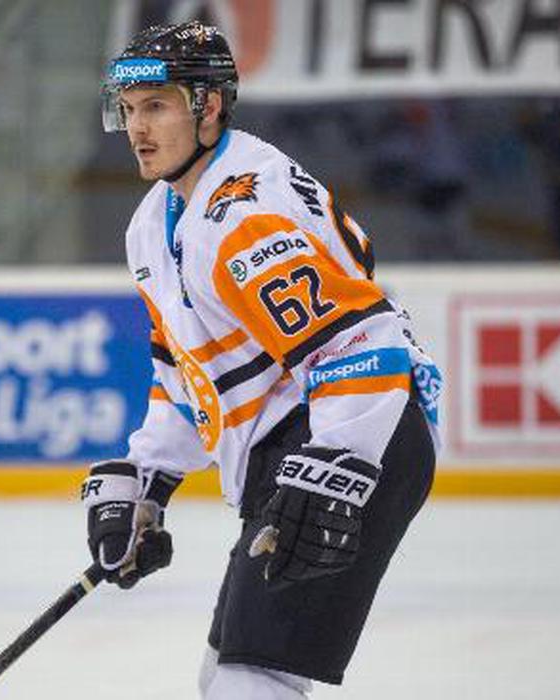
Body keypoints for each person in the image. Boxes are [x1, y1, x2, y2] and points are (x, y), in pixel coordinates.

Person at [81, 20, 442, 699]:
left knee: (253, 679)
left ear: (209, 107)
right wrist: (148, 478)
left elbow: (358, 342)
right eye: (127, 109)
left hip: (353, 436)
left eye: (156, 105)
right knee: (228, 672)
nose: (137, 129)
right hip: (303, 444)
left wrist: (337, 464)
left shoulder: (242, 211)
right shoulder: (154, 223)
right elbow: (186, 371)